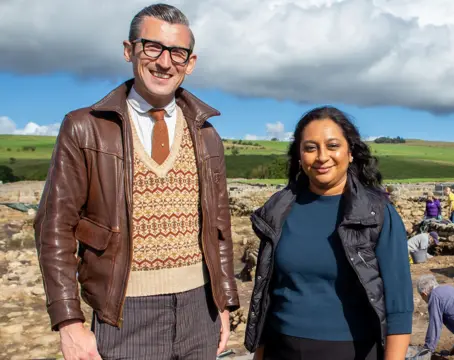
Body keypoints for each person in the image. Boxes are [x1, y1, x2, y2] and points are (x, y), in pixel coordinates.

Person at [33, 4, 239, 359]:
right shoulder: (84, 127)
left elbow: (220, 228)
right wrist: (68, 322)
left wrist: (224, 303)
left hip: (200, 311)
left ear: (190, 63)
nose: (165, 62)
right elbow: (54, 227)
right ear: (129, 50)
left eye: (178, 53)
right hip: (123, 316)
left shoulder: (208, 136)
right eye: (153, 47)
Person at [244, 106, 414, 360]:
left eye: (332, 145)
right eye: (311, 148)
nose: (322, 157)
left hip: (352, 351)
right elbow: (267, 295)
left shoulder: (377, 214)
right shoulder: (278, 211)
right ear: (300, 156)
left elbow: (399, 305)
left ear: (351, 152)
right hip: (281, 349)